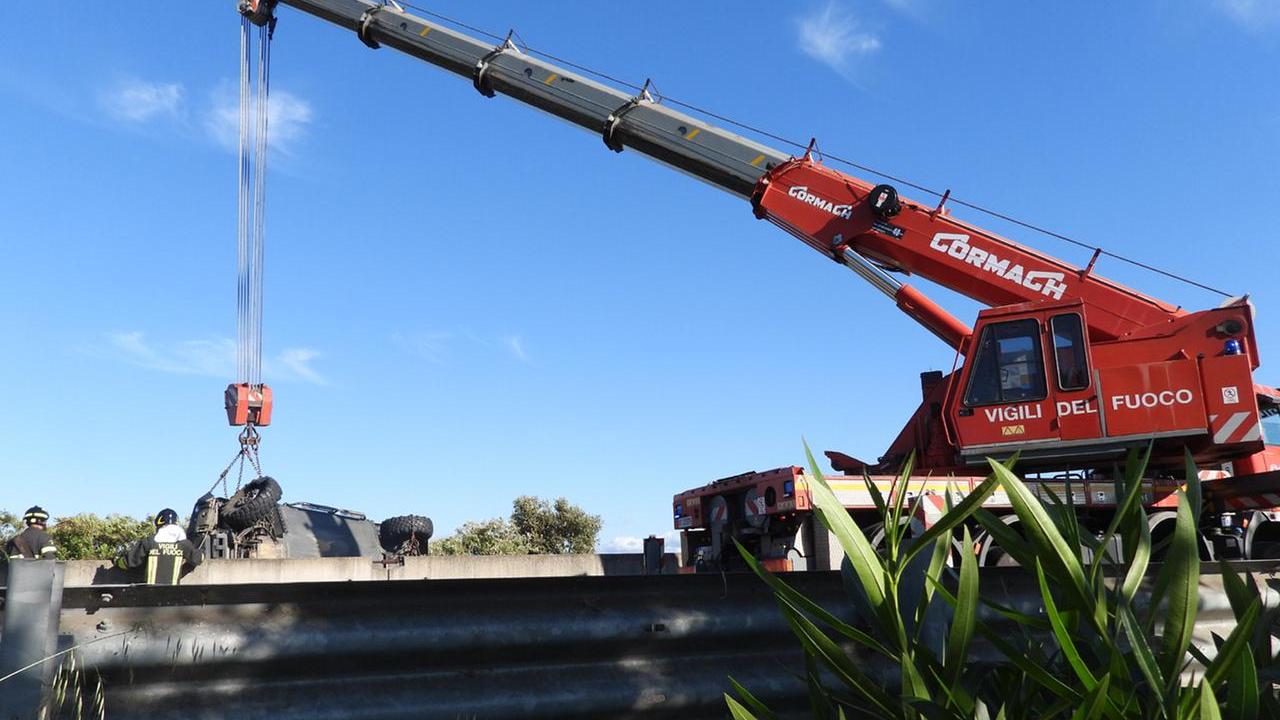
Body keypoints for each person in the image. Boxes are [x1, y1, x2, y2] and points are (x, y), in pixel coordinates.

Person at [117, 508, 202, 584]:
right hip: (173, 594)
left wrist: (116, 561)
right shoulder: (184, 544)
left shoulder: (149, 542)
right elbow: (198, 559)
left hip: (150, 594)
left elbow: (127, 563)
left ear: (159, 524)